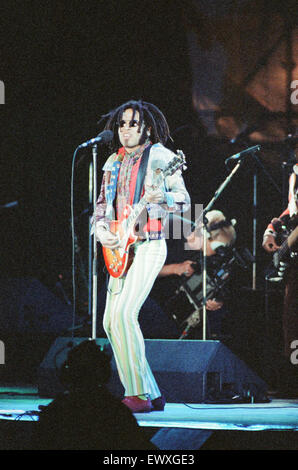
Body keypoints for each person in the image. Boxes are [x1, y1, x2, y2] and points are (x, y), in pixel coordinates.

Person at [92, 100, 190, 413]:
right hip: (119, 246)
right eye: (121, 123)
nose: (125, 130)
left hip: (149, 244)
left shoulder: (161, 156)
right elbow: (101, 205)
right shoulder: (111, 161)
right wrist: (101, 230)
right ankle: (152, 392)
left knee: (124, 315)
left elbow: (185, 203)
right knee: (109, 321)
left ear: (145, 127)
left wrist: (165, 197)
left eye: (132, 124)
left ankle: (137, 394)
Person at [32, 340, 156, 450]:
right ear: (104, 373)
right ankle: (151, 393)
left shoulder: (54, 412)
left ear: (67, 373)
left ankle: (144, 393)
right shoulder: (115, 411)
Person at [155, 210, 237, 338]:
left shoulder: (203, 255)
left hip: (166, 305)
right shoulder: (171, 226)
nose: (217, 253)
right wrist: (175, 268)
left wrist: (218, 302)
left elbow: (218, 286)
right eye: (217, 247)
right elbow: (135, 268)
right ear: (205, 233)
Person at [262, 163, 298, 364]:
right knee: (291, 321)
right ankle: (292, 375)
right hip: (294, 265)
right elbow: (289, 212)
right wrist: (270, 230)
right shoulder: (295, 174)